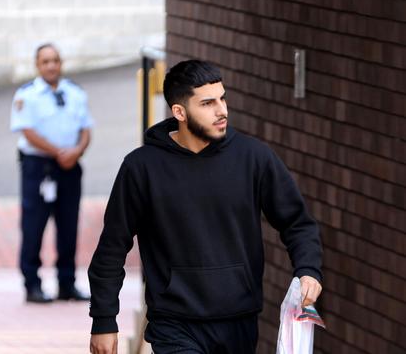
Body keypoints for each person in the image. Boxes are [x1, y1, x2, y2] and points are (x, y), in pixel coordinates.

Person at [87, 60, 323, 353]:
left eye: (222, 99)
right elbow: (112, 246)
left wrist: (308, 269)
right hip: (174, 324)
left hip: (239, 323)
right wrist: (104, 319)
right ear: (179, 112)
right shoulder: (142, 168)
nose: (222, 110)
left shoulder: (254, 158)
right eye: (208, 103)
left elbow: (296, 222)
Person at [10, 43, 93, 303]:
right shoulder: (27, 95)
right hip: (40, 167)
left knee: (69, 225)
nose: (51, 66)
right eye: (45, 61)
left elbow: (86, 127)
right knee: (34, 225)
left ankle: (67, 283)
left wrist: (77, 151)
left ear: (61, 63)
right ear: (37, 65)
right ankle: (32, 284)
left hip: (70, 166)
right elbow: (28, 131)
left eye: (55, 60)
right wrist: (59, 152)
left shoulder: (75, 92)